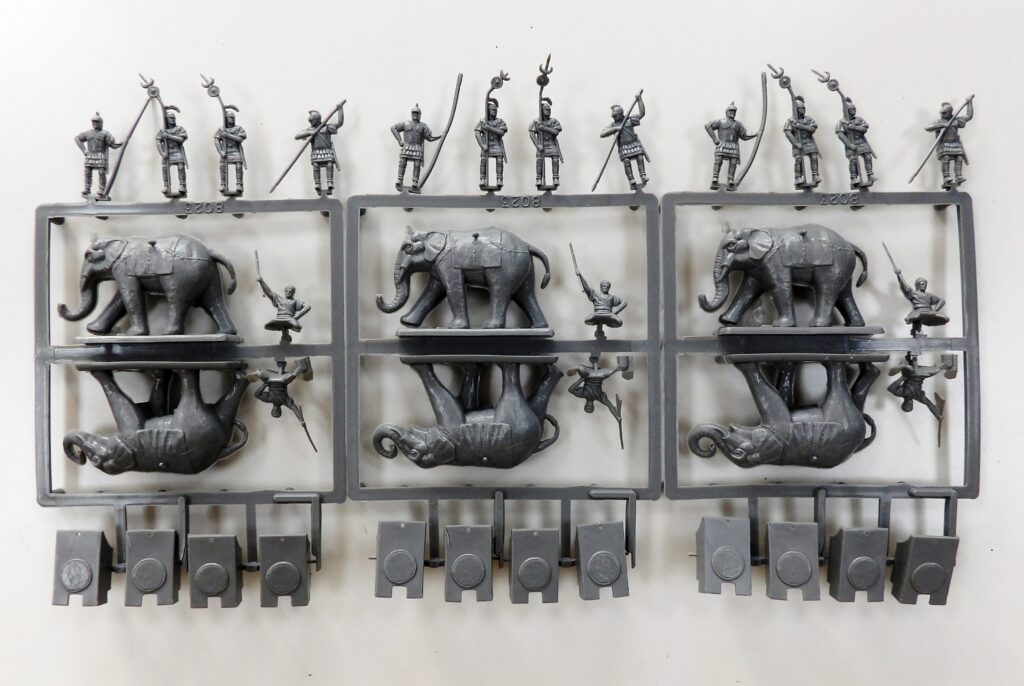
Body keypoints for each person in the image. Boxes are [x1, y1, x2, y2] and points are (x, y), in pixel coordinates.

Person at [600, 93, 648, 190]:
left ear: (620, 114)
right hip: (624, 146)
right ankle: (631, 180)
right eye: (613, 116)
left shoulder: (629, 120)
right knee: (626, 161)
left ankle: (643, 175)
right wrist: (615, 129)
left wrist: (639, 99)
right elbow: (602, 134)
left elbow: (642, 113)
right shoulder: (613, 125)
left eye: (615, 116)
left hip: (634, 143)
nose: (613, 118)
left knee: (639, 157)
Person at [926, 97, 974, 189]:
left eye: (944, 113)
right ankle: (946, 177)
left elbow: (969, 116)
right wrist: (942, 125)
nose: (942, 115)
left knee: (959, 157)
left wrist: (970, 103)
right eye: (941, 113)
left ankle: (958, 175)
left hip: (956, 144)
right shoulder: (940, 121)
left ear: (949, 112)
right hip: (944, 145)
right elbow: (927, 127)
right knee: (946, 158)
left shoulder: (956, 120)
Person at [706, 102, 756, 190]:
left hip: (733, 146)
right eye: (731, 111)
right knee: (718, 160)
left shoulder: (738, 124)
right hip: (722, 144)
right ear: (727, 112)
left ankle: (730, 179)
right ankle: (715, 177)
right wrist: (714, 139)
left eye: (734, 111)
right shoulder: (721, 121)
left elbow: (744, 136)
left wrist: (755, 135)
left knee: (733, 162)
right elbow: (708, 126)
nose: (732, 113)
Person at [392, 105, 440, 193]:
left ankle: (415, 181)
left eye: (417, 113)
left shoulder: (423, 126)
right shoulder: (406, 123)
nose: (415, 115)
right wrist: (400, 141)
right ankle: (400, 179)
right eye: (414, 113)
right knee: (402, 162)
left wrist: (440, 136)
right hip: (407, 146)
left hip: (417, 148)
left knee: (417, 165)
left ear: (420, 115)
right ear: (411, 114)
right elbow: (393, 128)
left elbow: (430, 138)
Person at [296, 106, 343, 195]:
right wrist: (309, 133)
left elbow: (340, 123)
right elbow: (297, 136)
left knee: (329, 164)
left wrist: (340, 109)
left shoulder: (327, 127)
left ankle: (330, 183)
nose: (310, 122)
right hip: (316, 152)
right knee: (316, 165)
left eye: (311, 120)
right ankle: (317, 184)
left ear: (317, 120)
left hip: (327, 150)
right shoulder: (310, 129)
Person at [75, 113, 121, 199]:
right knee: (87, 171)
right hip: (90, 155)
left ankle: (102, 189)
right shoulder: (88, 133)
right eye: (94, 121)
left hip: (100, 156)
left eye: (97, 122)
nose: (95, 123)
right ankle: (87, 188)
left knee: (101, 172)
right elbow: (77, 138)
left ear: (101, 123)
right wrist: (84, 150)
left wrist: (122, 143)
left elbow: (113, 144)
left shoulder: (105, 134)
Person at [836, 98, 875, 189]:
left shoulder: (859, 119)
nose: (854, 110)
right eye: (852, 109)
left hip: (861, 142)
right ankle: (853, 178)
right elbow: (840, 135)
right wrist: (849, 145)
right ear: (847, 110)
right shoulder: (842, 122)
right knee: (853, 160)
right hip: (851, 144)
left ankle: (870, 175)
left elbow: (864, 129)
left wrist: (853, 127)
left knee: (868, 156)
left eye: (854, 108)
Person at [896, 271, 948, 337]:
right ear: (917, 285)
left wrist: (935, 310)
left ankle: (918, 328)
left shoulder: (929, 295)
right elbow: (904, 286)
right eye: (922, 284)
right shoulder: (913, 293)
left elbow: (942, 300)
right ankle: (915, 329)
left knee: (945, 318)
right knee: (918, 316)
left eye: (925, 284)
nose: (924, 285)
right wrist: (899, 275)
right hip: (918, 311)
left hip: (929, 311)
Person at [784, 96, 820, 188]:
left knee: (814, 156)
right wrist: (796, 144)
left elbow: (812, 129)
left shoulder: (808, 119)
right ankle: (798, 177)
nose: (803, 110)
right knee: (798, 159)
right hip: (797, 143)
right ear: (796, 109)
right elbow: (788, 133)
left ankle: (815, 175)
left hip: (808, 142)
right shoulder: (791, 121)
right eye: (801, 108)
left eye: (804, 108)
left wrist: (801, 126)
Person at [529, 97, 562, 190]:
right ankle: (539, 179)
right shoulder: (536, 121)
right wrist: (538, 145)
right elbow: (531, 133)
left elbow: (556, 132)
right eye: (547, 110)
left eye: (549, 110)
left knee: (555, 159)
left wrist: (545, 128)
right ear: (542, 110)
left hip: (551, 144)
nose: (549, 111)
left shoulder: (554, 121)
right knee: (539, 161)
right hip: (541, 145)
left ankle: (555, 178)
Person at [475, 98, 508, 190]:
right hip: (486, 144)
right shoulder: (482, 121)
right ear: (488, 110)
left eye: (496, 110)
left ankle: (499, 178)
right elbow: (477, 133)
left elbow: (501, 133)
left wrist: (489, 128)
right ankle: (482, 178)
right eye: (493, 110)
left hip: (497, 144)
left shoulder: (500, 121)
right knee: (483, 161)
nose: (495, 111)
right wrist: (482, 145)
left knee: (499, 161)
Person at [156, 109, 188, 197]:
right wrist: (162, 153)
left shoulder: (179, 129)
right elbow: (158, 141)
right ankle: (166, 186)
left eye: (173, 118)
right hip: (167, 152)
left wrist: (168, 136)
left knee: (181, 167)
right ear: (167, 119)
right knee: (165, 168)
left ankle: (182, 186)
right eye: (171, 118)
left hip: (177, 151)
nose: (173, 120)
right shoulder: (163, 130)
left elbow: (181, 140)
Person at [215, 109, 247, 195]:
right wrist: (221, 152)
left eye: (233, 117)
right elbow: (216, 140)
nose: (232, 119)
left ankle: (239, 184)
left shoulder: (239, 128)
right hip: (225, 151)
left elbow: (240, 139)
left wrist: (228, 135)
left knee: (239, 166)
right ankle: (223, 184)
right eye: (230, 117)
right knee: (222, 167)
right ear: (226, 118)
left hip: (236, 150)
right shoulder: (221, 129)